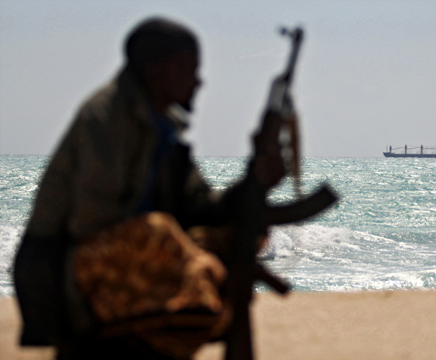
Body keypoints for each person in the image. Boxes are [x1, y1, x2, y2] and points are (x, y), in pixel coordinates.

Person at [13, 17, 286, 359]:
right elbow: (92, 224)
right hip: (68, 266)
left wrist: (256, 178)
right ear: (159, 71)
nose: (198, 82)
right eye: (189, 69)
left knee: (238, 233)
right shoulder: (107, 118)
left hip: (126, 253)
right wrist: (186, 251)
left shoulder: (164, 131)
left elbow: (201, 206)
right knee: (158, 230)